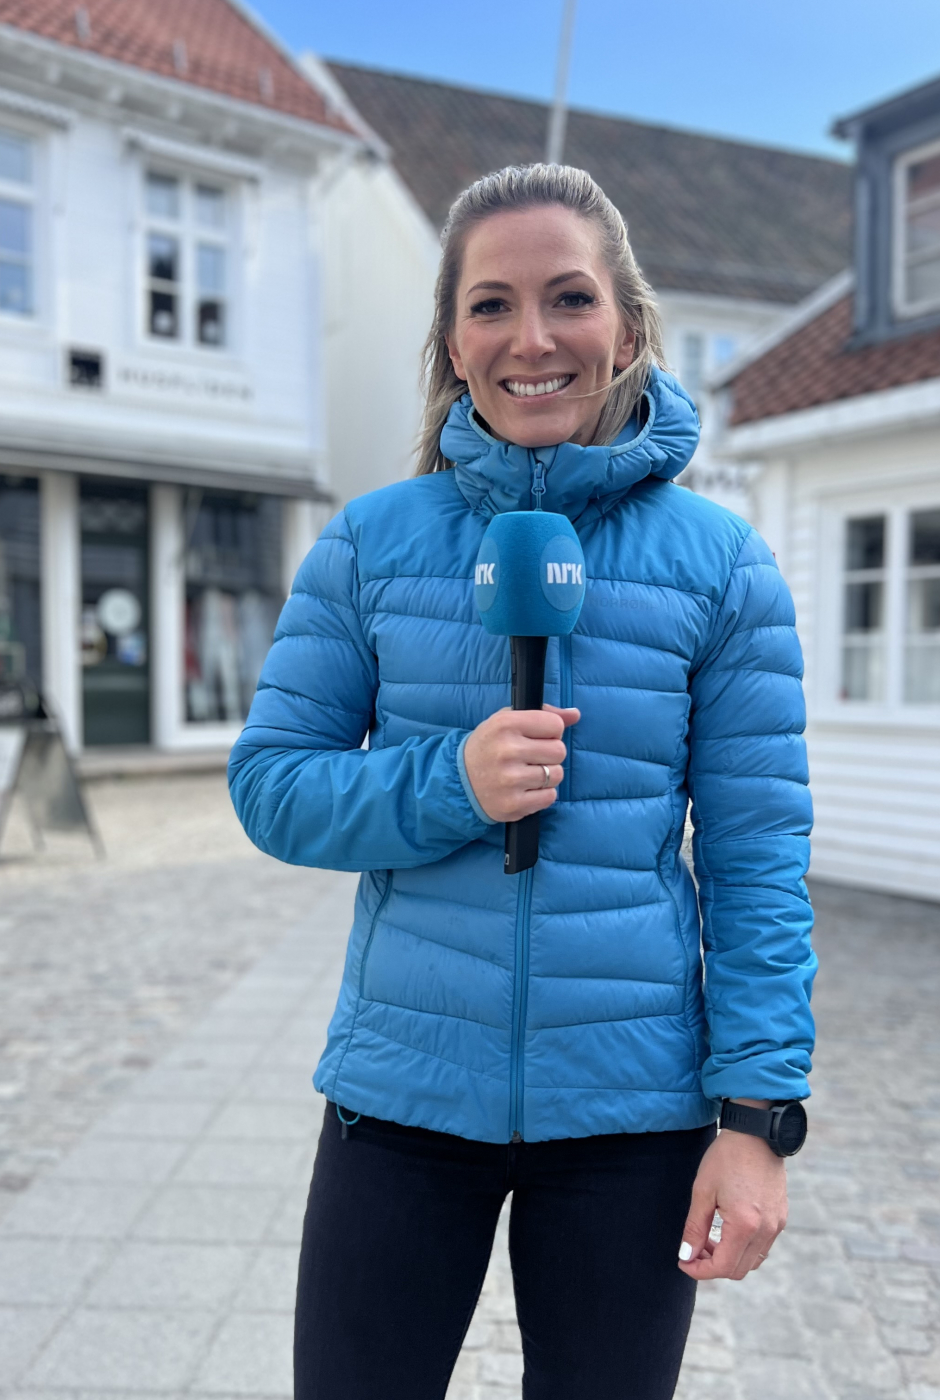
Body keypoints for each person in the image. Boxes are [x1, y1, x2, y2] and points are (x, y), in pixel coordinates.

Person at [228, 164, 815, 1400]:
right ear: (454, 343)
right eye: (490, 304)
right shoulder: (368, 544)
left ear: (627, 327)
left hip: (630, 1117)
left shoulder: (722, 566)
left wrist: (756, 1120)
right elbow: (272, 786)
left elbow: (757, 860)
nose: (531, 338)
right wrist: (450, 780)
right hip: (399, 1096)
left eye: (569, 297)